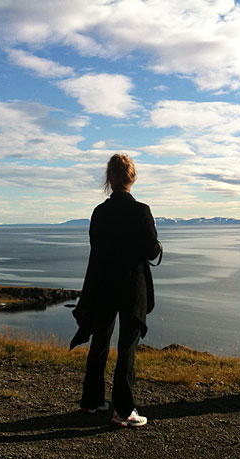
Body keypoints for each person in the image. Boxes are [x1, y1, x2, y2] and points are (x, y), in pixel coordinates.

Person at [70, 154, 162, 427]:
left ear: (109, 179)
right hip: (132, 287)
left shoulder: (99, 212)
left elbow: (96, 249)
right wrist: (154, 235)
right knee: (127, 348)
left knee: (100, 342)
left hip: (102, 284)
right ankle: (123, 410)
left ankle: (91, 401)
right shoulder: (141, 211)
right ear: (132, 178)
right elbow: (151, 250)